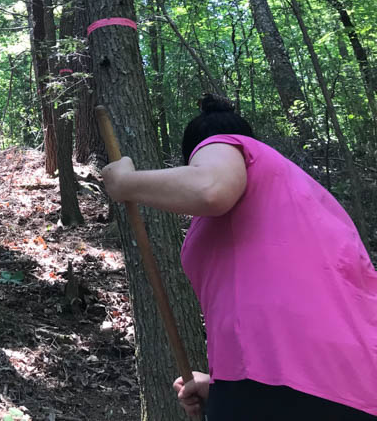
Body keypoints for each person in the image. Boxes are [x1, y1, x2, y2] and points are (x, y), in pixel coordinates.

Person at [101, 94, 377, 421]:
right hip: (350, 384)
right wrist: (220, 385)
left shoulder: (225, 144)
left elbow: (210, 189)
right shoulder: (306, 199)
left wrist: (125, 183)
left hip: (282, 382)